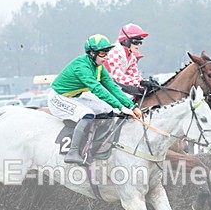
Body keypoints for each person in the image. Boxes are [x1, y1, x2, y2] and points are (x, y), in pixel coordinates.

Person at [48, 34, 142, 165]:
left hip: (74, 97)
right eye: (103, 53)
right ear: (92, 53)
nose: (106, 57)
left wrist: (131, 106)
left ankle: (95, 144)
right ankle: (73, 152)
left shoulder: (99, 67)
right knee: (88, 114)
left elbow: (112, 87)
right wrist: (120, 107)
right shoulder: (81, 66)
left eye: (107, 53)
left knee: (108, 109)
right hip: (58, 98)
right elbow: (97, 89)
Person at [103, 23, 149, 88]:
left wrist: (146, 82)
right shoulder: (114, 52)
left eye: (140, 42)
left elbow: (134, 76)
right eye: (136, 42)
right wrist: (140, 82)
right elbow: (118, 77)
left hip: (110, 87)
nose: (138, 45)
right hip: (93, 90)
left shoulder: (132, 57)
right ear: (125, 41)